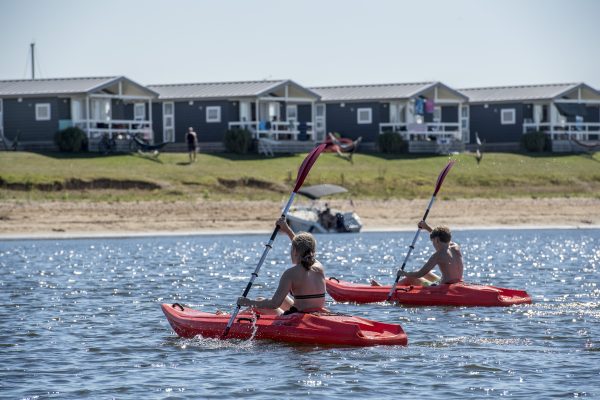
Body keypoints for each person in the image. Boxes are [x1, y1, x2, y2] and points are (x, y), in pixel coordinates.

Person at [237, 216, 327, 315]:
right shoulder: (319, 267)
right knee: (284, 299)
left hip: (299, 318)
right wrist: (287, 229)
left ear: (295, 251)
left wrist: (248, 302)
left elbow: (274, 304)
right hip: (317, 313)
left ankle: (230, 318)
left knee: (260, 300)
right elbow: (302, 246)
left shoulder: (290, 273)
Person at [371, 220, 463, 287]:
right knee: (428, 274)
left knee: (411, 278)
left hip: (442, 288)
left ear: (436, 240)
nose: (433, 244)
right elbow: (443, 236)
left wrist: (404, 273)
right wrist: (427, 227)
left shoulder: (438, 255)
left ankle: (385, 289)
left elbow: (419, 274)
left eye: (433, 242)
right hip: (457, 283)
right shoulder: (455, 247)